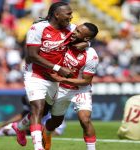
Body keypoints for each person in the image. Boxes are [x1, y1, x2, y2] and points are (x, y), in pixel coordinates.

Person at [12, 2, 89, 150]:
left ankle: (19, 127)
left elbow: (85, 36)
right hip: (35, 73)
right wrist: (58, 68)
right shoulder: (37, 28)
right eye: (68, 14)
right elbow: (32, 56)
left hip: (53, 78)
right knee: (37, 108)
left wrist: (87, 44)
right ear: (57, 14)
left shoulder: (71, 29)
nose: (71, 17)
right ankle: (38, 147)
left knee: (44, 111)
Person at [42, 22, 99, 150]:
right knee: (55, 122)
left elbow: (86, 81)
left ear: (86, 38)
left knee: (85, 120)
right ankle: (46, 133)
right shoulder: (67, 37)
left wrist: (61, 78)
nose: (74, 32)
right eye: (76, 29)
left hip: (81, 90)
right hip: (61, 89)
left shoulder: (91, 56)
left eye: (78, 32)